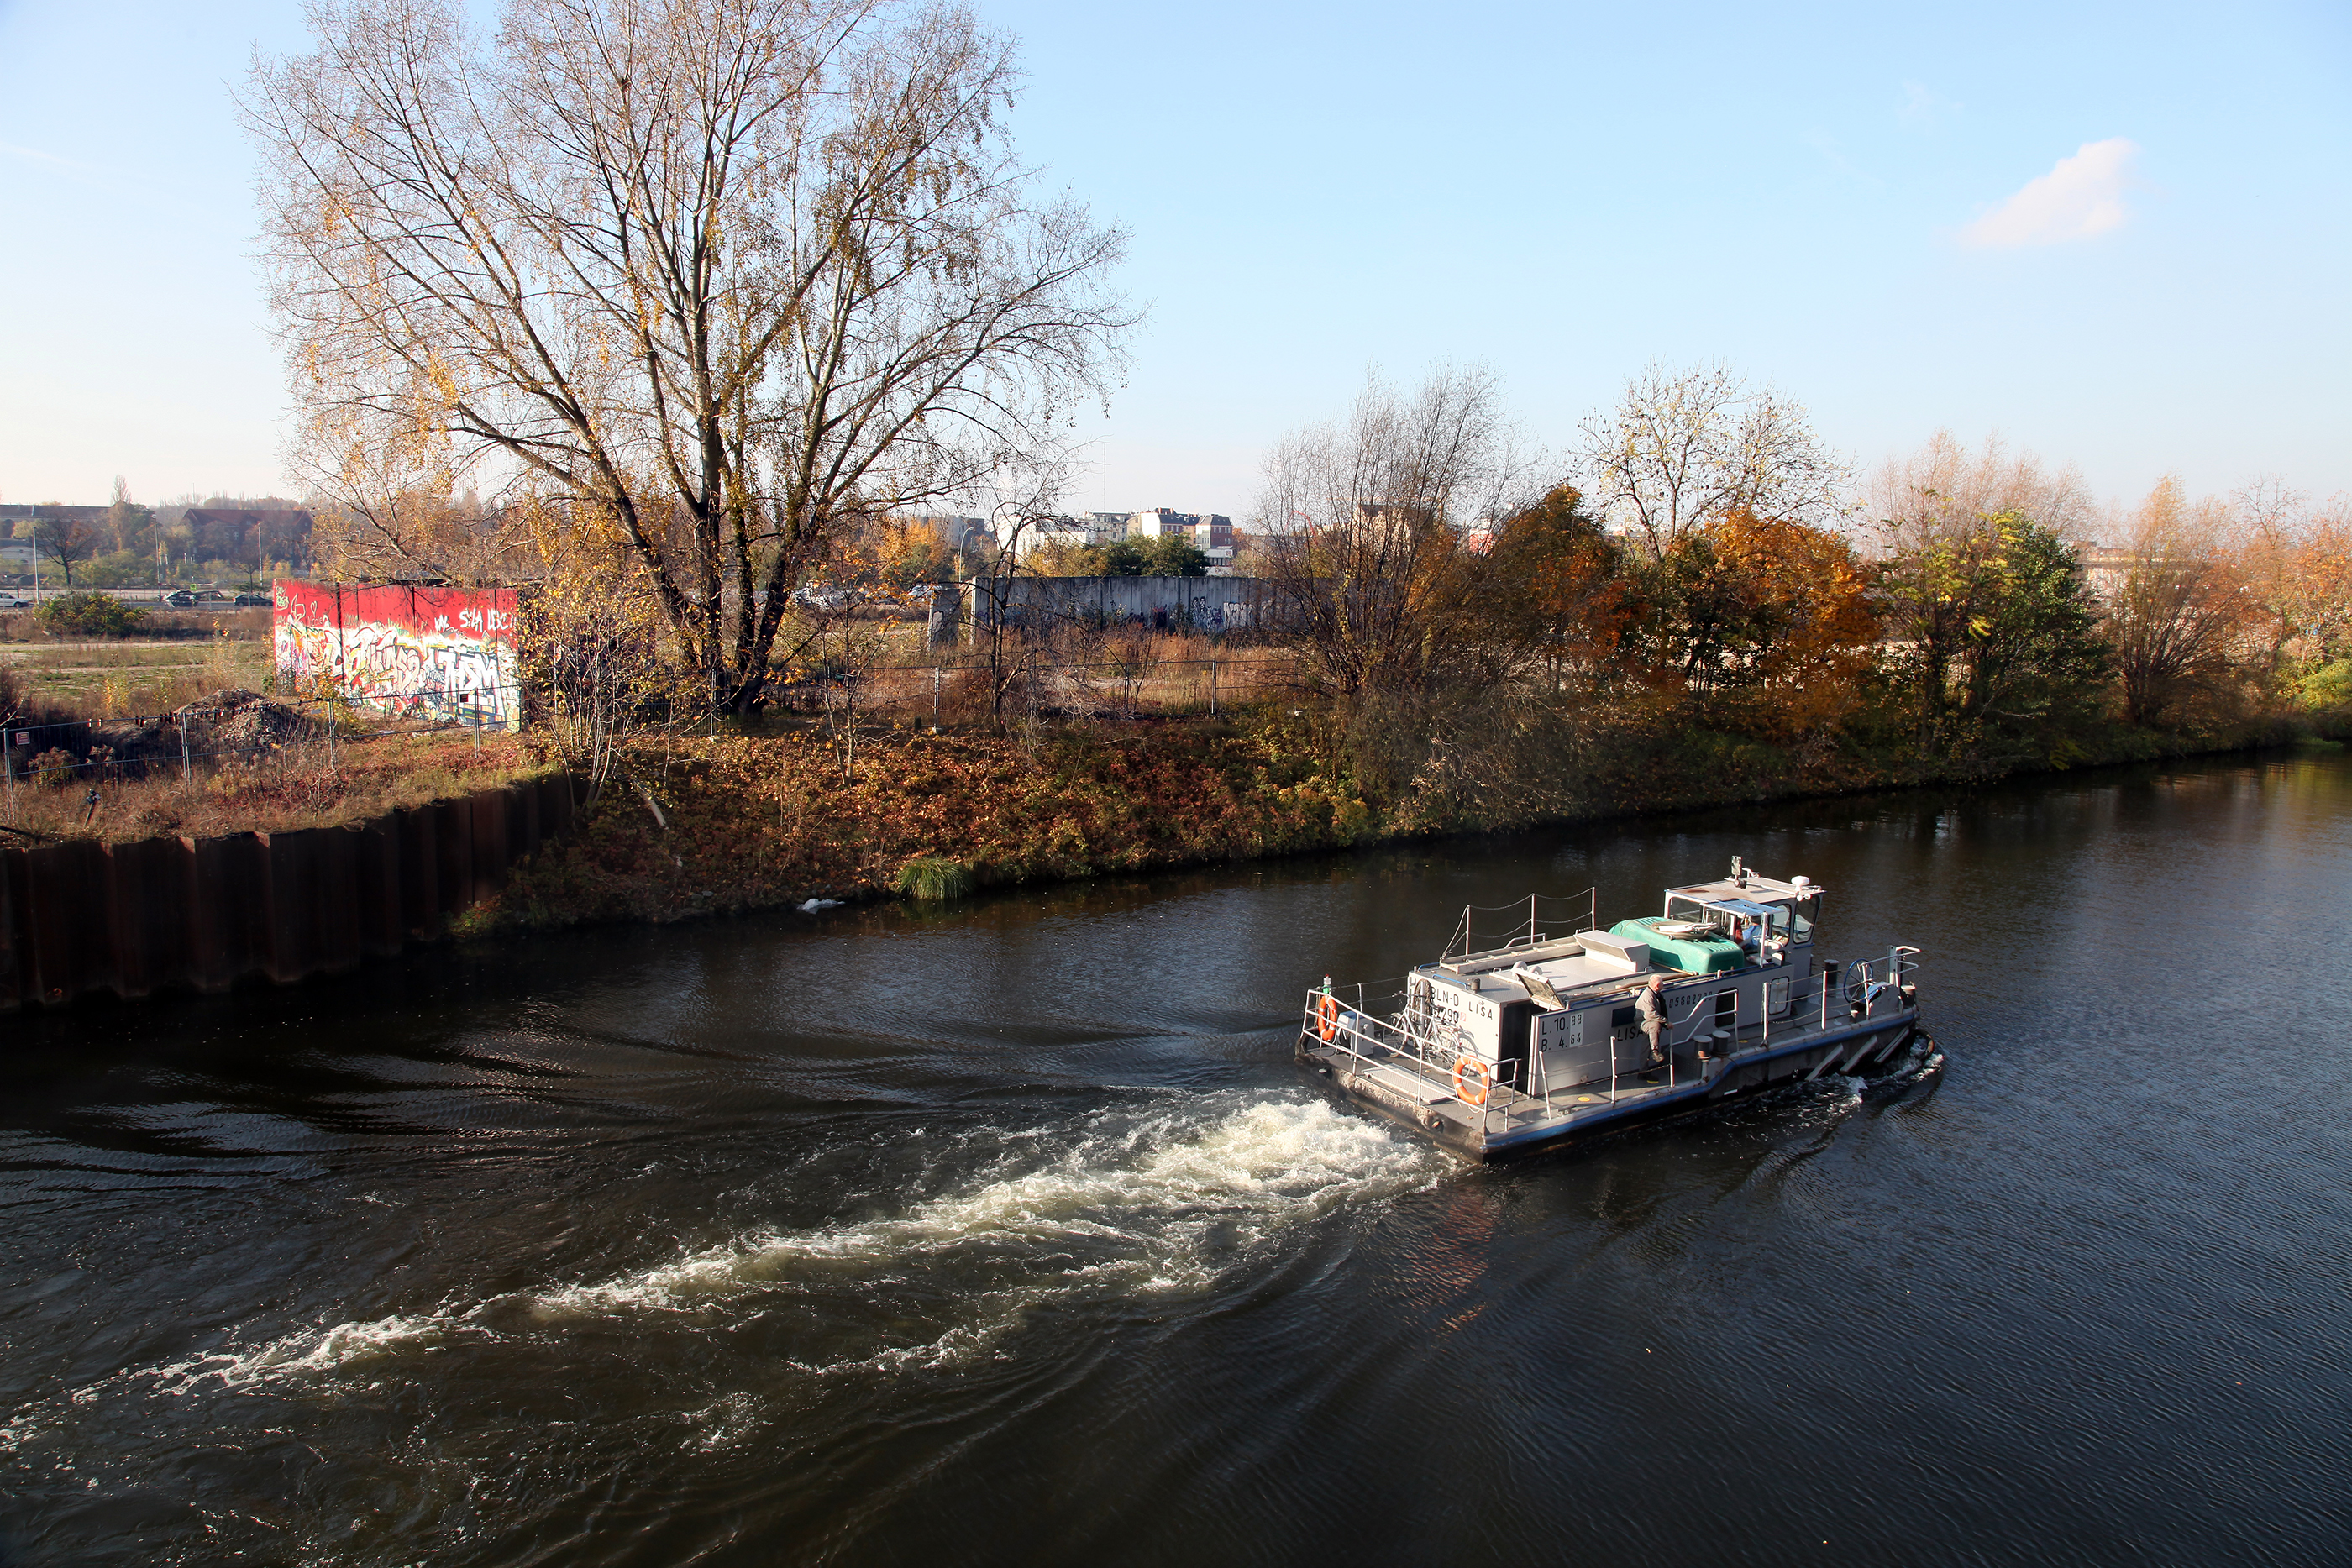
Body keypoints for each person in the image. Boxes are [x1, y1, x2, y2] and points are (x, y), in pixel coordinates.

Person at [1635, 976, 1667, 1075]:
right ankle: (1655, 1052)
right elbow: (1651, 1015)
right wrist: (1666, 1022)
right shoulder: (1648, 997)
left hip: (1648, 1021)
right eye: (1662, 983)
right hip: (1644, 1022)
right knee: (1655, 1025)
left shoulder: (1656, 994)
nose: (1663, 985)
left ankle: (1644, 1071)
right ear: (1657, 986)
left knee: (1646, 1046)